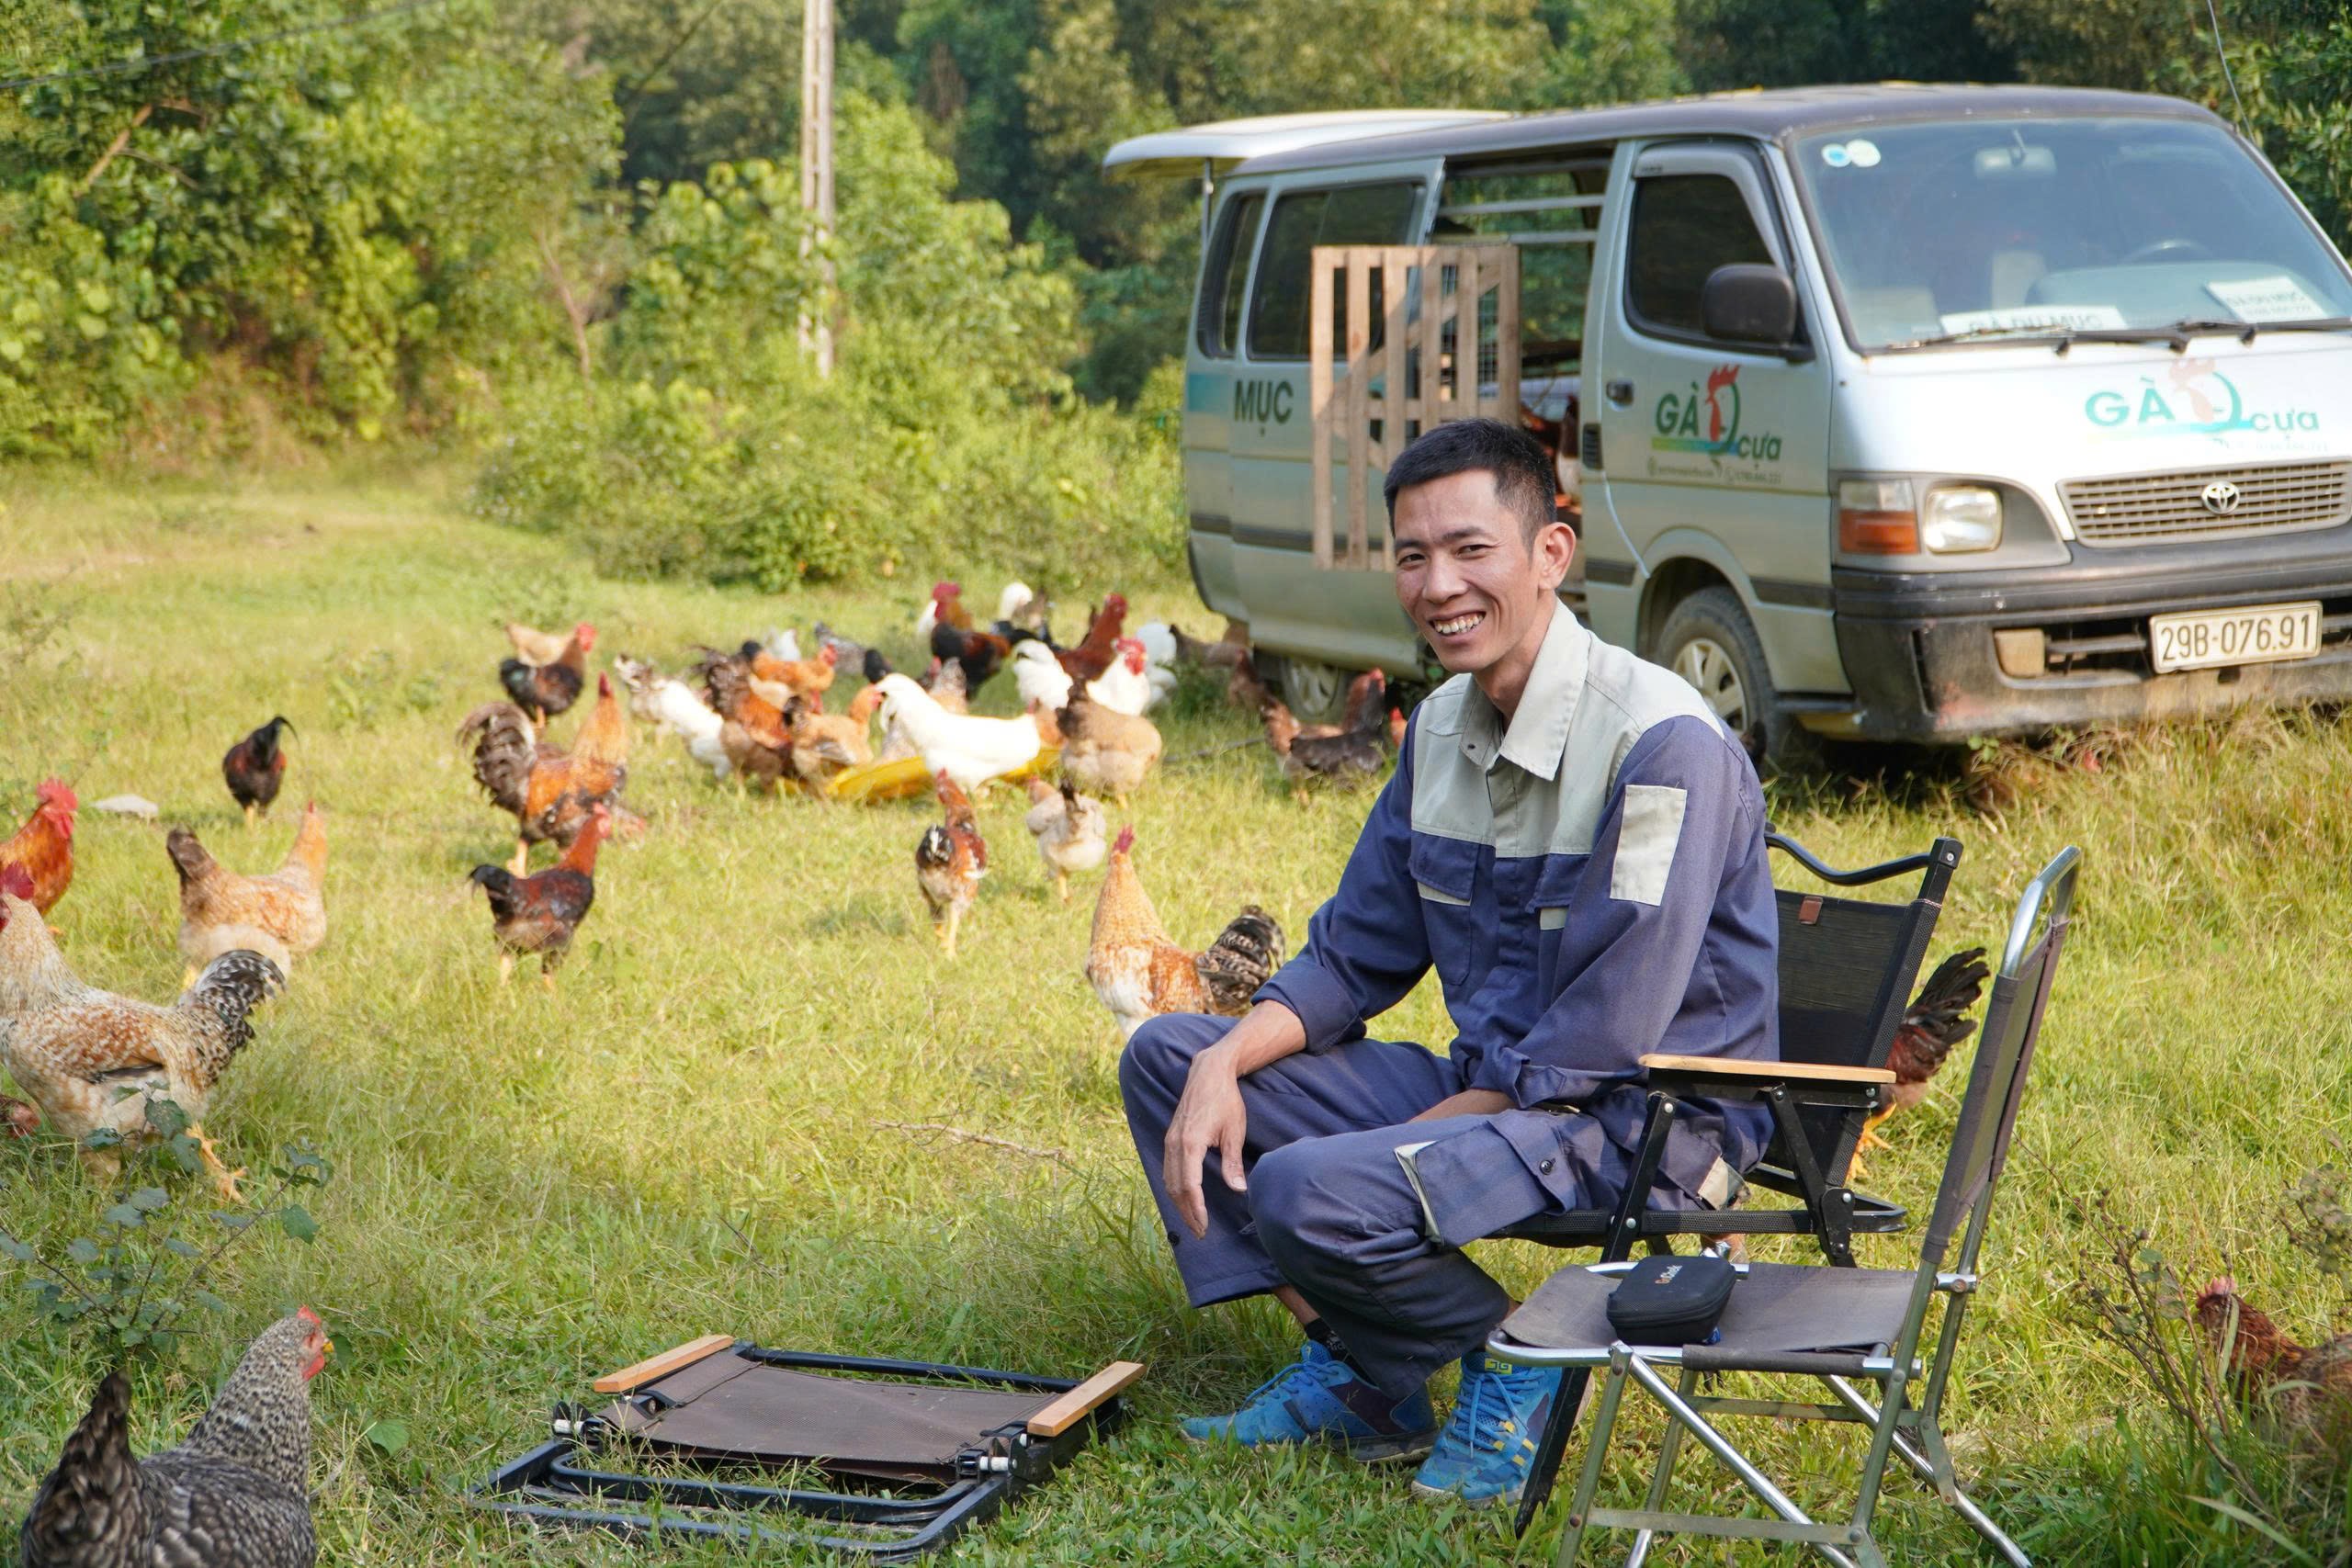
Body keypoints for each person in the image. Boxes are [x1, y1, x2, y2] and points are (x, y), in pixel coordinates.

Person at [1118, 417, 1779, 1509]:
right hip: (1504, 1090)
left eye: (1472, 550)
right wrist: (1223, 1062)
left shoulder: (1661, 745)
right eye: (1414, 555)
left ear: (1550, 555)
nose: (1438, 585)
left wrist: (1398, 1141)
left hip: (1643, 1123)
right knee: (1168, 1057)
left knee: (1306, 1185)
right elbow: (1351, 954)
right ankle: (1368, 1375)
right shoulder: (1436, 732)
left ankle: (1512, 1366)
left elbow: (1604, 1038)